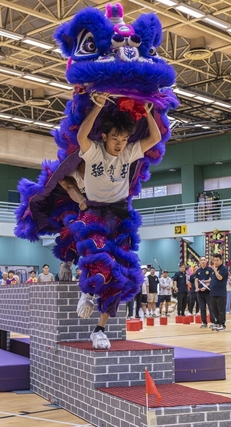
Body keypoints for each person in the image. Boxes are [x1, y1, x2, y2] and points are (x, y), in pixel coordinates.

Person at [73, 93, 161, 349]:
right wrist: (98, 106)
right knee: (98, 257)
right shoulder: (93, 152)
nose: (120, 144)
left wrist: (148, 113)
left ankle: (100, 329)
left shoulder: (129, 152)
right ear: (104, 136)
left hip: (120, 215)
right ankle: (86, 291)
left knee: (121, 273)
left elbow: (155, 138)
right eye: (115, 138)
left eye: (123, 139)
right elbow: (81, 136)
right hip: (95, 213)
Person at [194, 257, 215, 328]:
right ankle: (204, 322)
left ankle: (213, 322)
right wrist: (197, 288)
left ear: (206, 261)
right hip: (200, 293)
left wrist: (205, 287)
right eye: (201, 260)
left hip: (208, 292)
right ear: (199, 262)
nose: (203, 261)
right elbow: (196, 280)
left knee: (211, 307)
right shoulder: (198, 271)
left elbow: (211, 279)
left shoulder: (210, 270)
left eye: (204, 260)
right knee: (202, 307)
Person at [209, 254, 229, 331]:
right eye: (214, 260)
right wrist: (205, 282)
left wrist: (215, 271)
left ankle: (222, 324)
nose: (215, 262)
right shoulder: (215, 269)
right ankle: (217, 323)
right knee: (215, 309)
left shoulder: (223, 269)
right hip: (213, 293)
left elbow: (220, 278)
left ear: (221, 260)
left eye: (217, 260)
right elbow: (213, 280)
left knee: (221, 310)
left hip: (221, 293)